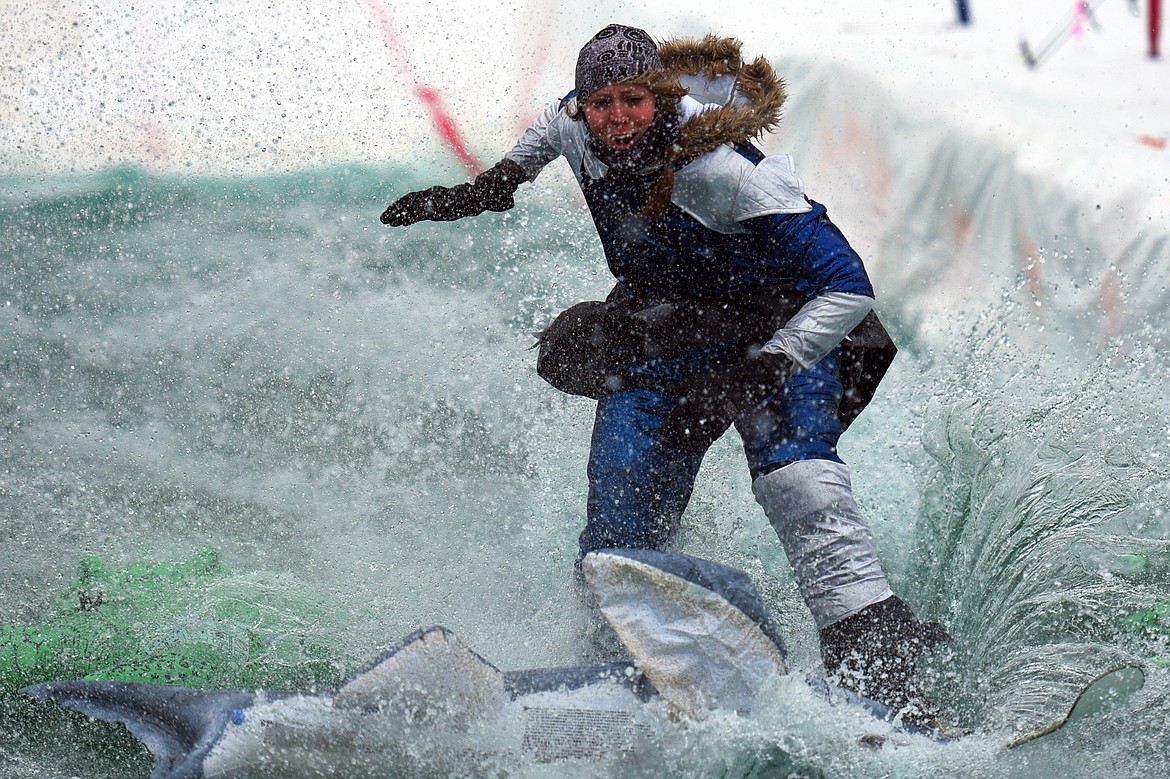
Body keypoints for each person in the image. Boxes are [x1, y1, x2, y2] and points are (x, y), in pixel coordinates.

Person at [381, 24, 952, 728]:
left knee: (794, 481)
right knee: (618, 508)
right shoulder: (575, 124)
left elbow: (847, 283)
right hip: (675, 331)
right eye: (600, 104)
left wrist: (764, 367)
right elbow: (545, 128)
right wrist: (492, 185)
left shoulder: (724, 174)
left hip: (787, 327)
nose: (615, 120)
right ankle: (614, 675)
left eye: (632, 102)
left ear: (659, 98)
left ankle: (887, 673)